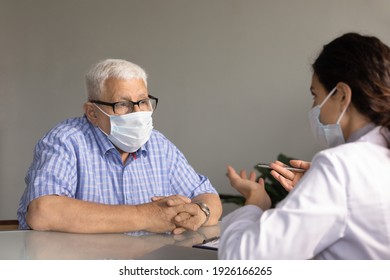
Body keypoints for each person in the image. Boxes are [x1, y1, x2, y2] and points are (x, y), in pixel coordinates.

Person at [219, 32, 390, 259]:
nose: (314, 106)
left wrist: (254, 205)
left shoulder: (341, 167)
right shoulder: (375, 158)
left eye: (315, 95)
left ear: (341, 95)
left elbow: (242, 261)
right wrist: (316, 185)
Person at [17, 59, 222, 234]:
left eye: (142, 101)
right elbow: (43, 212)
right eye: (122, 104)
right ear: (92, 113)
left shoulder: (158, 144)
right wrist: (147, 216)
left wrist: (201, 211)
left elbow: (207, 195)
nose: (137, 112)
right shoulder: (67, 140)